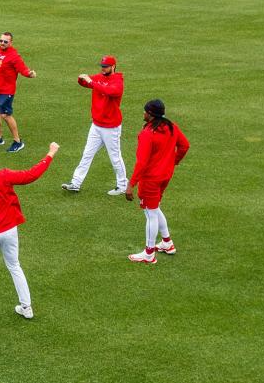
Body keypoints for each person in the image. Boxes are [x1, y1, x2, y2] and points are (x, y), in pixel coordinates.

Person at [0, 142, 59, 325]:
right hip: (9, 230)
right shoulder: (4, 176)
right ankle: (26, 307)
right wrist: (50, 154)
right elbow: (31, 175)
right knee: (15, 266)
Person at [125, 99, 190, 264]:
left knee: (150, 213)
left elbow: (142, 163)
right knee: (155, 208)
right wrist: (173, 161)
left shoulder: (147, 134)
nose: (143, 113)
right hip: (165, 177)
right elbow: (184, 146)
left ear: (151, 114)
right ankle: (167, 243)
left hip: (151, 180)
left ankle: (148, 254)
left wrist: (131, 184)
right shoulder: (171, 126)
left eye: (145, 111)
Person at [62, 55, 128, 195]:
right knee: (87, 154)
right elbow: (85, 83)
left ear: (113, 66)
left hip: (111, 127)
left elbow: (109, 91)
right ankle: (76, 183)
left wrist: (91, 81)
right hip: (97, 125)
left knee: (115, 158)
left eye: (105, 67)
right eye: (102, 66)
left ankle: (122, 185)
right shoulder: (99, 77)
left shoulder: (118, 81)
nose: (103, 69)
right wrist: (81, 78)